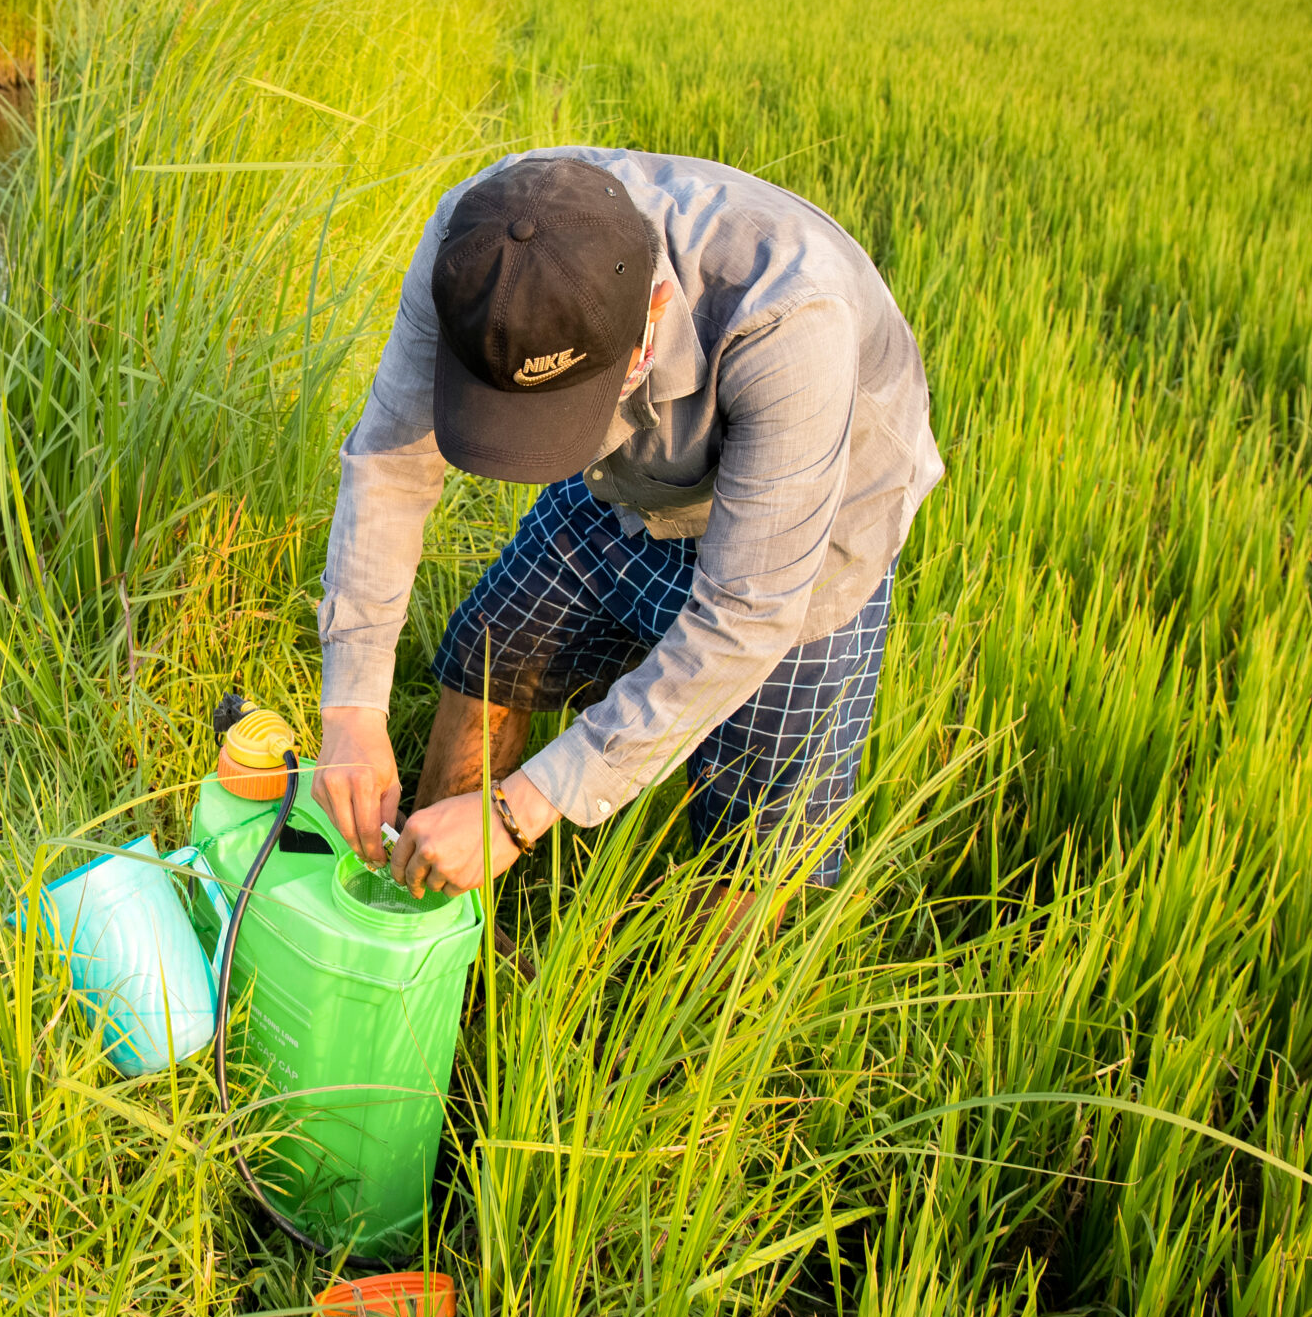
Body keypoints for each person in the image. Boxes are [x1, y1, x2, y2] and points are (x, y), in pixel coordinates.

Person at [310, 148, 941, 901]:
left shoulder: (790, 318)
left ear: (653, 316)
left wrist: (517, 813)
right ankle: (440, 920)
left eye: (554, 413)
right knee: (493, 650)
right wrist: (351, 708)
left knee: (759, 834)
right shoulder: (477, 250)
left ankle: (708, 974)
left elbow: (747, 614)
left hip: (813, 523)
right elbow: (390, 461)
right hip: (627, 482)